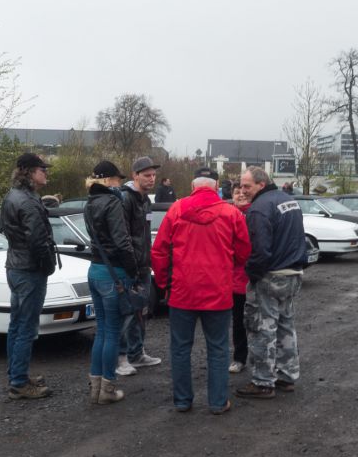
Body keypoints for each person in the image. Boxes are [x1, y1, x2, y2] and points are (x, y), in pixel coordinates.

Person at [152, 167, 251, 414]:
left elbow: (159, 250)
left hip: (182, 291)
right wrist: (228, 266)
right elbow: (243, 251)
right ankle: (218, 402)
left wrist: (164, 284)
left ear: (194, 186)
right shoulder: (231, 213)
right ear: (216, 186)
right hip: (218, 291)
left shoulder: (176, 209)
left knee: (180, 348)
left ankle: (183, 400)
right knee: (217, 348)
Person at [236, 166, 307, 400]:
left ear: (261, 185)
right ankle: (287, 375)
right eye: (241, 185)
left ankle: (263, 381)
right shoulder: (289, 201)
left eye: (247, 186)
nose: (243, 190)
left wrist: (252, 274)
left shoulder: (259, 209)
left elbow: (260, 250)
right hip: (292, 273)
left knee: (261, 327)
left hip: (270, 276)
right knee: (286, 324)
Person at [1, 153, 56, 399]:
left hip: (15, 267)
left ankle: (17, 374)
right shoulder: (28, 202)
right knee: (26, 327)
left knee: (16, 324)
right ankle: (19, 383)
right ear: (29, 172)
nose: (46, 173)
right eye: (42, 169)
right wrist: (48, 265)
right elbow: (37, 241)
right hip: (29, 270)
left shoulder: (12, 197)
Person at [83, 160, 138, 404]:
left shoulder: (89, 203)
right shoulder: (113, 202)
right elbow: (121, 241)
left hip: (94, 270)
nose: (120, 182)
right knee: (112, 333)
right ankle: (107, 389)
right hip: (113, 272)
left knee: (102, 331)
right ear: (109, 180)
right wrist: (133, 269)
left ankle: (96, 387)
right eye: (117, 178)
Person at [116, 156, 163, 376]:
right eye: (147, 175)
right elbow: (123, 234)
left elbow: (144, 233)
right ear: (135, 175)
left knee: (140, 312)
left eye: (153, 175)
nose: (151, 179)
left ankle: (137, 353)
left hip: (144, 264)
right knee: (126, 312)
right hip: (129, 265)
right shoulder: (125, 199)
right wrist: (130, 263)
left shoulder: (146, 201)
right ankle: (121, 357)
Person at [229, 184, 252, 374]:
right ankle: (239, 357)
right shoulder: (227, 215)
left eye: (244, 192)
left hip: (253, 277)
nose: (241, 195)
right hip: (234, 280)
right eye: (237, 193)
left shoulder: (256, 214)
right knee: (238, 322)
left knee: (258, 321)